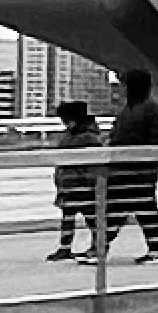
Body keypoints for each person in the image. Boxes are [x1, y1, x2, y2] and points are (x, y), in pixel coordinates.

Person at [98, 75, 158, 263]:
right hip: (123, 168)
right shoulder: (126, 110)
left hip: (140, 169)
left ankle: (155, 248)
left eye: (124, 85)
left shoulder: (152, 110)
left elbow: (157, 141)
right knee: (124, 208)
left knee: (139, 207)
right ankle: (101, 247)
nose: (121, 89)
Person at [45, 100, 102, 260]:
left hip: (82, 186)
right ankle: (66, 247)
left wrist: (88, 181)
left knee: (91, 218)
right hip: (69, 185)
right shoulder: (73, 136)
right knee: (69, 217)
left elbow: (93, 165)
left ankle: (96, 246)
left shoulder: (88, 138)